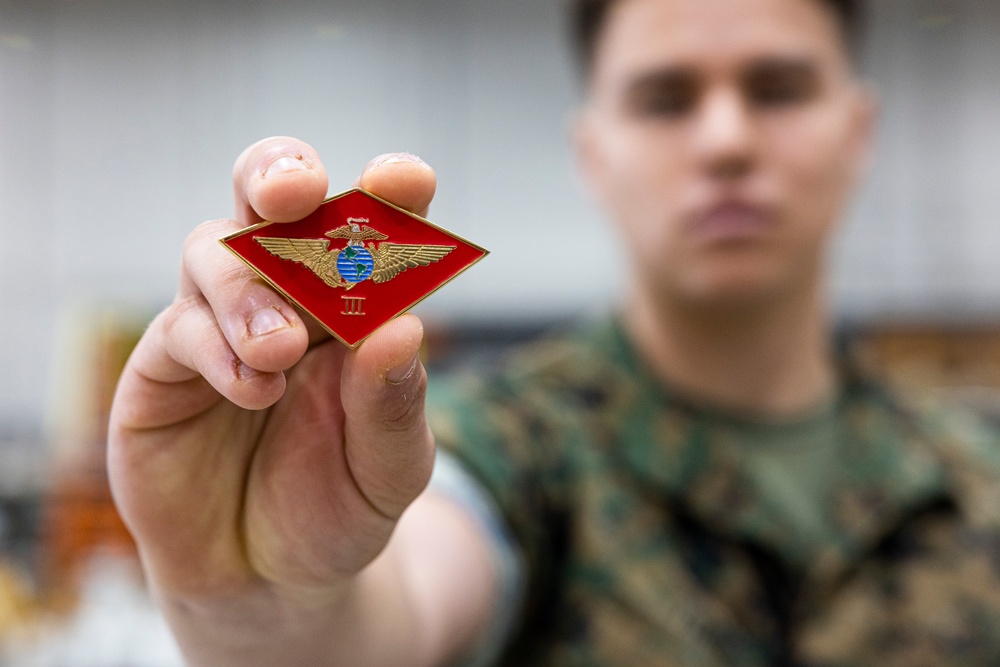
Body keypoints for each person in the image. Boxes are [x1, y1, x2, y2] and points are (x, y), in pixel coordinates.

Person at [107, 0, 1000, 665]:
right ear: (593, 154)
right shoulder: (513, 443)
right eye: (666, 98)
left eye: (777, 88)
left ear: (858, 132)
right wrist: (265, 602)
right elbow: (404, 596)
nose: (727, 138)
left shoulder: (977, 474)